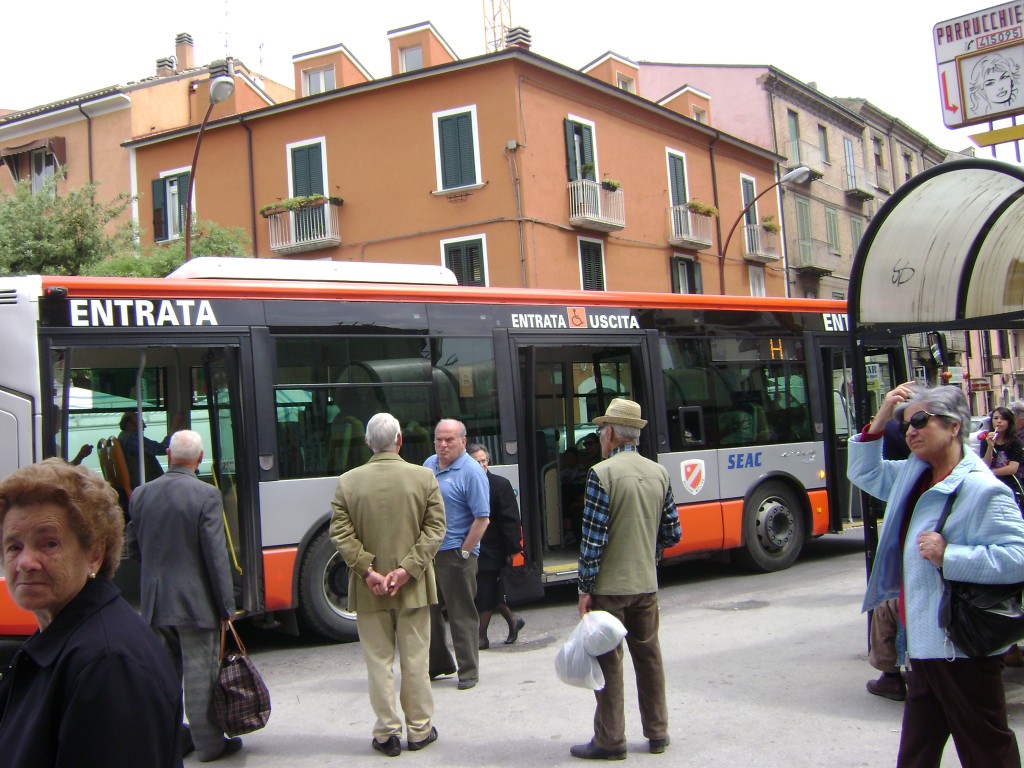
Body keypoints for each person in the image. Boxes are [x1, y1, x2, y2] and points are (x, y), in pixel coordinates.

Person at [850, 381, 1024, 767]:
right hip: (926, 645)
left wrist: (951, 556)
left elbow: (1018, 556)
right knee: (917, 753)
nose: (910, 431)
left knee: (986, 750)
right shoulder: (916, 476)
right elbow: (865, 473)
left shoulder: (980, 488)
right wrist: (879, 421)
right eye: (906, 424)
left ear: (954, 426)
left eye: (922, 421)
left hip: (961, 649)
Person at [0, 459, 184, 767]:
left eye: (49, 543)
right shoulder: (64, 638)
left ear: (95, 555)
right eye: (13, 546)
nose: (25, 562)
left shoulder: (108, 666)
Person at [330, 413, 446, 757]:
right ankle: (420, 730)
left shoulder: (347, 482)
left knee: (378, 663)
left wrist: (368, 571)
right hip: (414, 587)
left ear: (367, 442)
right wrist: (407, 570)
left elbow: (340, 533)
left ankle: (386, 733)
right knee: (415, 661)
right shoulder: (424, 477)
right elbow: (435, 529)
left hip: (369, 589)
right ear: (399, 440)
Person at [572, 398, 681, 760]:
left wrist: (585, 588)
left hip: (609, 589)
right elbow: (672, 533)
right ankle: (658, 732)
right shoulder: (658, 472)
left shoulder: (600, 474)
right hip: (645, 585)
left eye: (602, 431)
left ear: (613, 435)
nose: (601, 437)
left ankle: (610, 739)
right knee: (649, 657)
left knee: (609, 663)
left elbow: (593, 540)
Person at [126, 430, 241, 763]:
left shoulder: (141, 494)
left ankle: (170, 741)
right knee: (199, 678)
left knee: (163, 678)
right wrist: (226, 607)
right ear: (200, 458)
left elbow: (133, 546)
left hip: (155, 603)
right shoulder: (206, 495)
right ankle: (209, 746)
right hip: (196, 604)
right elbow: (215, 556)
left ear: (167, 454)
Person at [425, 418, 490, 690]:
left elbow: (482, 518)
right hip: (429, 553)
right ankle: (439, 664)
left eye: (449, 440)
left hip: (456, 554)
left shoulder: (471, 471)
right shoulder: (428, 465)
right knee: (428, 612)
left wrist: (465, 552)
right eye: (439, 439)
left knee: (461, 614)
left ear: (463, 441)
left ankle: (468, 671)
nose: (443, 445)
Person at [467, 444, 525, 650]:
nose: (482, 464)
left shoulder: (500, 484)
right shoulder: (466, 483)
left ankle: (481, 636)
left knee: (484, 592)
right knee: (491, 591)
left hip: (494, 548)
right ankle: (513, 620)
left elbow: (510, 519)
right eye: (476, 461)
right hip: (473, 546)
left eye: (484, 460)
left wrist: (513, 550)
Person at [118, 410, 183, 489]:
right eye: (139, 423)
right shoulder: (133, 439)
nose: (144, 426)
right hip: (147, 484)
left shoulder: (123, 437)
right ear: (129, 425)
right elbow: (161, 449)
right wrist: (175, 428)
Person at [982, 405, 1024, 495]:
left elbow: (1012, 468)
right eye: (996, 418)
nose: (999, 421)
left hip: (1011, 485)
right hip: (991, 485)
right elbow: (984, 465)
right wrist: (990, 447)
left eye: (1003, 419)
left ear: (1009, 422)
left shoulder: (1015, 442)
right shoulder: (986, 441)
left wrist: (990, 472)